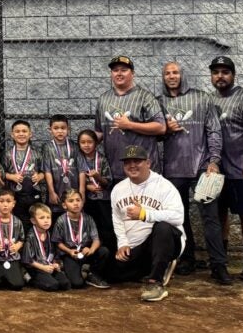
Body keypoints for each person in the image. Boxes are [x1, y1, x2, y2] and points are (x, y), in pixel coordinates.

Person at [157, 61, 229, 283]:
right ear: (163, 77)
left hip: (202, 168)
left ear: (182, 75)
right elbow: (152, 135)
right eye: (167, 73)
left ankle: (218, 265)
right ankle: (186, 258)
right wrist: (165, 131)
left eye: (175, 72)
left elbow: (214, 131)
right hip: (172, 169)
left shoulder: (201, 98)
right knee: (179, 217)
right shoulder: (157, 102)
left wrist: (214, 160)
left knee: (210, 217)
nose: (172, 76)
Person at [209, 56, 243, 282]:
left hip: (242, 168)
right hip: (217, 170)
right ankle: (221, 259)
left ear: (233, 75)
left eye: (225, 72)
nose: (220, 76)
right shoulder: (210, 100)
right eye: (216, 72)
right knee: (220, 213)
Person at [108, 145, 184, 302]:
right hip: (137, 247)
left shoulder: (164, 186)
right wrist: (122, 243)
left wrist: (145, 214)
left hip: (165, 243)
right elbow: (117, 219)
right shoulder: (118, 189)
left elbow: (178, 217)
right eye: (127, 162)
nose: (132, 165)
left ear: (148, 163)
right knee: (111, 274)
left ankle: (156, 282)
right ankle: (149, 269)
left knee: (163, 227)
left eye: (137, 161)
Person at [95, 55, 166, 182]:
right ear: (111, 74)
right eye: (115, 70)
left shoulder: (145, 96)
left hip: (142, 170)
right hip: (114, 169)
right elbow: (99, 133)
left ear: (132, 73)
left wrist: (130, 125)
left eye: (124, 70)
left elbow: (161, 127)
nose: (119, 74)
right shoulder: (103, 99)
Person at [52, 190, 109, 289]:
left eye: (78, 200)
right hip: (70, 254)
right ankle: (69, 269)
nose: (75, 203)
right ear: (64, 205)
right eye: (71, 201)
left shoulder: (88, 219)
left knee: (104, 251)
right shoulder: (61, 220)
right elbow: (57, 242)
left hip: (85, 251)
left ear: (82, 203)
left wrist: (91, 250)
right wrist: (69, 251)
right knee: (77, 283)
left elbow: (96, 239)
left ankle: (92, 273)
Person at [76, 129, 115, 253]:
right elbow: (73, 180)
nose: (86, 145)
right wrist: (88, 186)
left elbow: (108, 182)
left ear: (96, 143)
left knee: (106, 228)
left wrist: (97, 177)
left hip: (103, 200)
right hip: (87, 201)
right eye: (83, 142)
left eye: (89, 142)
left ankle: (109, 254)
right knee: (89, 228)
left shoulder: (102, 159)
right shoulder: (78, 159)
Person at [2, 120, 43, 232]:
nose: (21, 134)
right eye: (17, 131)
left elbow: (43, 171)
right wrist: (12, 177)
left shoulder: (36, 153)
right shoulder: (7, 154)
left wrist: (39, 176)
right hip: (15, 194)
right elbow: (2, 173)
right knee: (18, 222)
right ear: (12, 134)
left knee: (35, 220)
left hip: (33, 193)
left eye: (24, 131)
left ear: (30, 134)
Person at [22, 203, 70, 292]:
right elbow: (27, 260)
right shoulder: (30, 237)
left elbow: (55, 254)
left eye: (48, 217)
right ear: (33, 221)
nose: (46, 221)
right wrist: (43, 267)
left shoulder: (50, 234)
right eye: (42, 218)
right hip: (36, 268)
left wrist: (56, 264)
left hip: (48, 266)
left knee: (65, 284)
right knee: (53, 285)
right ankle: (30, 279)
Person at [41, 114, 81, 219]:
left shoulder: (74, 146)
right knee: (57, 217)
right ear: (50, 130)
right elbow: (47, 171)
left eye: (63, 128)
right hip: (56, 189)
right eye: (56, 128)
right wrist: (51, 192)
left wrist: (82, 192)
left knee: (73, 216)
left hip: (73, 188)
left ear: (68, 129)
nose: (60, 131)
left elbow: (81, 170)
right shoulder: (47, 147)